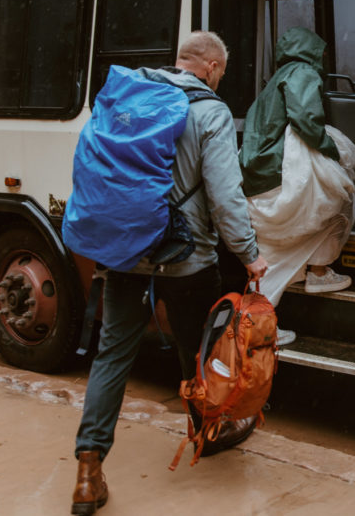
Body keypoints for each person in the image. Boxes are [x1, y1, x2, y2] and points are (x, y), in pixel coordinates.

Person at [71, 31, 268, 515]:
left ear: (180, 62)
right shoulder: (210, 111)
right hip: (187, 257)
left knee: (113, 353)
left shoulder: (130, 98)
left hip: (124, 250)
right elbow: (224, 197)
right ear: (214, 68)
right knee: (197, 348)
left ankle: (88, 469)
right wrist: (249, 254)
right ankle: (205, 430)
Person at [240, 27, 355, 347]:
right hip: (279, 175)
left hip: (257, 177)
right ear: (311, 51)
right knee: (339, 202)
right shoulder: (302, 72)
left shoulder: (274, 80)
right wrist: (331, 150)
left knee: (273, 252)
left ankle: (261, 317)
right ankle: (317, 274)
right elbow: (306, 119)